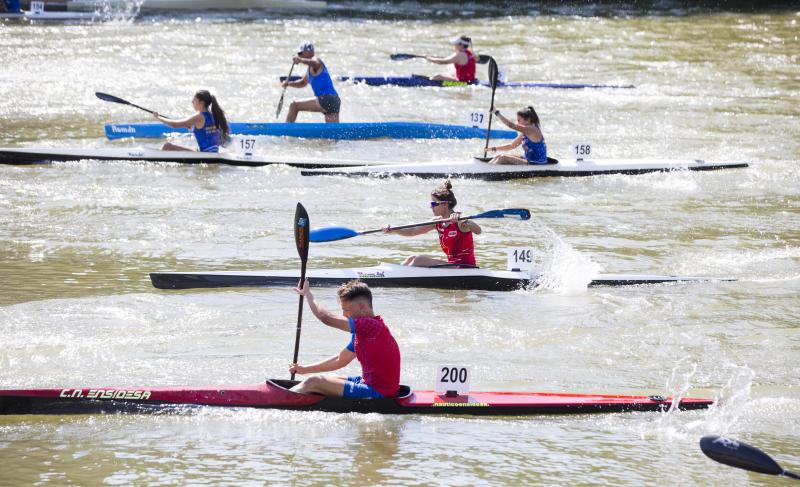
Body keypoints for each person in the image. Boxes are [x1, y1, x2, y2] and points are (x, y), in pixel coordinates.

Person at [289, 279, 401, 399]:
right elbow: (340, 359)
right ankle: (289, 395)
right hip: (368, 383)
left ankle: (279, 399)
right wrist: (304, 369)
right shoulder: (362, 332)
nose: (344, 315)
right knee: (323, 379)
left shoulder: (372, 326)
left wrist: (308, 295)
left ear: (361, 307)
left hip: (380, 393)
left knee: (313, 382)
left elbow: (326, 317)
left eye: (346, 310)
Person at [384, 180, 481, 267]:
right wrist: (393, 229)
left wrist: (463, 221)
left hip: (465, 267)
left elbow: (478, 230)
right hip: (452, 266)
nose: (431, 207)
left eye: (433, 204)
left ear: (445, 204)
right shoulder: (437, 222)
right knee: (412, 258)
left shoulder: (461, 219)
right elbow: (412, 231)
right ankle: (393, 274)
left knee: (419, 260)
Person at [281, 42, 341, 123]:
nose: (299, 55)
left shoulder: (315, 60)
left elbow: (315, 63)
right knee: (333, 132)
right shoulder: (310, 70)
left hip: (325, 99)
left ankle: (286, 131)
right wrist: (288, 84)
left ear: (308, 52)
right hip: (335, 100)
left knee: (294, 105)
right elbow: (302, 83)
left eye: (300, 53)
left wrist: (300, 60)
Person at [152, 90, 229, 152]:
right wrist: (192, 127)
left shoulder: (198, 117)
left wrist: (158, 117)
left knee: (167, 146)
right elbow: (207, 131)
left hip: (205, 154)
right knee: (193, 148)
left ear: (201, 103)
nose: (192, 101)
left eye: (194, 99)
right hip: (213, 152)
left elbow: (173, 125)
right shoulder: (214, 114)